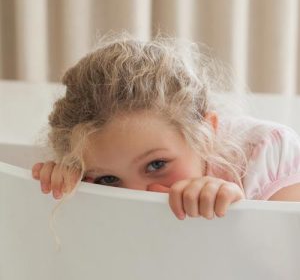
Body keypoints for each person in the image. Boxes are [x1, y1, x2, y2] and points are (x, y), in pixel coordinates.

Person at [31, 32, 300, 221]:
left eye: (156, 165)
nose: (137, 196)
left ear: (205, 135)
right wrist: (63, 195)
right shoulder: (90, 166)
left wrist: (240, 216)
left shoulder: (270, 153)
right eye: (108, 179)